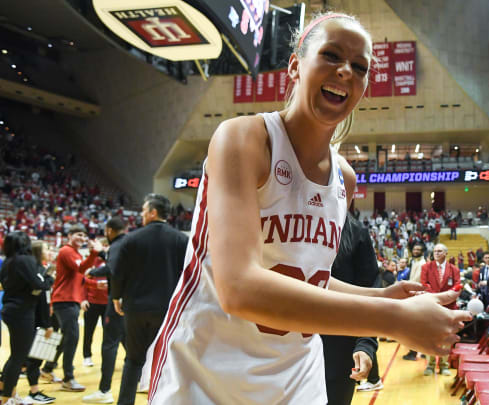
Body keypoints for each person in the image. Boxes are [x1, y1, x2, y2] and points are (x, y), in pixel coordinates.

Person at [147, 12, 470, 404]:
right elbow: (239, 287)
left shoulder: (345, 179)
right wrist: (393, 319)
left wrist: (383, 298)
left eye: (359, 66)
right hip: (208, 373)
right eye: (332, 55)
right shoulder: (244, 138)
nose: (345, 71)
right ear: (296, 66)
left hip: (297, 378)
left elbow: (308, 275)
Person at [111, 194, 188, 405]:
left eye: (144, 211)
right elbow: (189, 274)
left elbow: (118, 273)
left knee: (133, 360)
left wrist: (116, 297)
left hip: (134, 308)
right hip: (166, 309)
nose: (142, 215)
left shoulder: (131, 238)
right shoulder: (181, 240)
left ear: (153, 212)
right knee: (164, 362)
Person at [321, 215, 380, 402]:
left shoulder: (356, 232)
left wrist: (366, 343)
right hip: (284, 351)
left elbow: (368, 290)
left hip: (338, 354)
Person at [0, 233, 55, 404]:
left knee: (16, 356)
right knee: (19, 357)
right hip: (22, 313)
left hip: (11, 310)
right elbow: (39, 285)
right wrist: (50, 278)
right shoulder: (26, 260)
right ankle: (6, 397)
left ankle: (10, 393)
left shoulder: (8, 261)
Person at [48, 225, 103, 392]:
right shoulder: (66, 251)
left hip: (68, 301)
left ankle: (47, 368)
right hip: (64, 301)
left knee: (67, 338)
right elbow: (81, 269)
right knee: (71, 338)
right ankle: (68, 378)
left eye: (84, 235)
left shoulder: (75, 254)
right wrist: (95, 252)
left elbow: (80, 279)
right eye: (78, 234)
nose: (82, 238)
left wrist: (95, 284)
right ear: (69, 236)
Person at [82, 217, 127, 404]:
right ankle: (145, 379)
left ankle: (104, 391)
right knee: (129, 343)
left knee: (109, 344)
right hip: (133, 303)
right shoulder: (129, 243)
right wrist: (101, 254)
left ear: (109, 230)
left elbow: (112, 268)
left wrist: (94, 272)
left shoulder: (117, 245)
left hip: (116, 301)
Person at [420, 243, 461, 376]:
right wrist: (437, 297)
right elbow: (424, 284)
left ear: (445, 253)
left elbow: (457, 286)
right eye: (435, 251)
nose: (436, 253)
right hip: (431, 306)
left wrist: (446, 298)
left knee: (447, 337)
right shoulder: (426, 267)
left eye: (439, 251)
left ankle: (444, 365)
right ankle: (430, 365)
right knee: (429, 337)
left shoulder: (454, 269)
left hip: (448, 307)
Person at [81, 250, 108, 368]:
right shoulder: (91, 263)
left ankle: (107, 358)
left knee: (108, 332)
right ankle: (87, 356)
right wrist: (83, 299)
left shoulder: (112, 262)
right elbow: (82, 282)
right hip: (91, 302)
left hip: (108, 303)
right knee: (88, 331)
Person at [402, 243, 429, 361]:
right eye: (414, 249)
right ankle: (423, 351)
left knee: (413, 326)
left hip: (416, 296)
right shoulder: (415, 262)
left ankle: (413, 352)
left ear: (422, 251)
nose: (416, 251)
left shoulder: (422, 263)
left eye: (418, 249)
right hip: (415, 295)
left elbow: (416, 281)